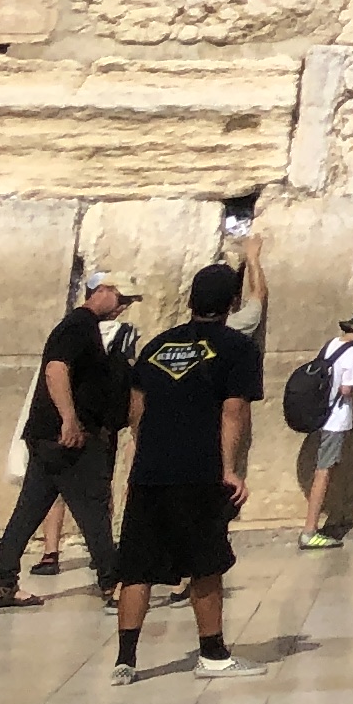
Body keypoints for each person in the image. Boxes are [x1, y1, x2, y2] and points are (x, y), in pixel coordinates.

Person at [110, 261, 268, 682]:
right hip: (199, 471)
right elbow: (233, 411)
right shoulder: (237, 348)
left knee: (137, 567)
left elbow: (136, 410)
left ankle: (125, 660)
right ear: (232, 302)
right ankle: (212, 655)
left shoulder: (157, 346)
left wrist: (144, 457)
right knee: (205, 563)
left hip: (150, 471)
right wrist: (229, 469)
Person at [0, 268, 133, 610]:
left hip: (46, 438)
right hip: (68, 439)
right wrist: (70, 420)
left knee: (28, 511)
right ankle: (112, 583)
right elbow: (56, 369)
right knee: (93, 508)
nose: (123, 306)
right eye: (121, 298)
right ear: (101, 291)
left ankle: (3, 584)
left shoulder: (82, 327)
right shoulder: (78, 326)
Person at [298, 306, 353, 547]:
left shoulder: (332, 344)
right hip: (335, 421)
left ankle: (315, 527)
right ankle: (309, 531)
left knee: (324, 469)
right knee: (323, 472)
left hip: (321, 416)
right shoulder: (351, 352)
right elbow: (347, 389)